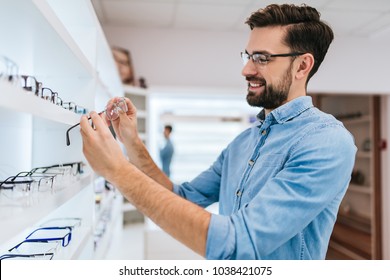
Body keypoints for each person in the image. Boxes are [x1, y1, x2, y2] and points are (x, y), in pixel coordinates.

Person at [80, 4, 357, 260]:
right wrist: (131, 142)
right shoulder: (242, 143)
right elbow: (182, 197)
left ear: (302, 66)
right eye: (248, 56)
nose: (246, 70)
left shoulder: (327, 141)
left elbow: (238, 243)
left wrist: (117, 170)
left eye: (261, 58)